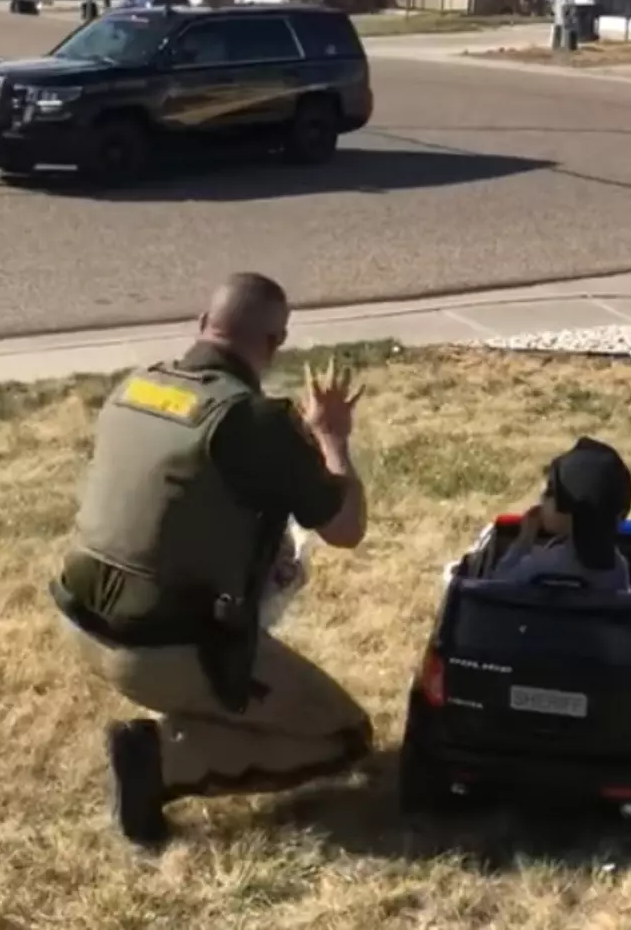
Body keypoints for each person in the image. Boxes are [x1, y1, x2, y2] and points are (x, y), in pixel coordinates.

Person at [51, 272, 372, 848]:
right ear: (274, 343)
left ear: (203, 324)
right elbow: (346, 529)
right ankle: (161, 761)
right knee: (343, 736)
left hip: (81, 621)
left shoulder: (137, 386)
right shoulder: (251, 422)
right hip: (163, 648)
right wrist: (332, 438)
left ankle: (179, 734)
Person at [491, 436, 631, 591]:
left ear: (568, 511)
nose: (542, 499)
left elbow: (498, 584)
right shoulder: (617, 568)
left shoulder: (541, 563)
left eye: (550, 493)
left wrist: (525, 539)